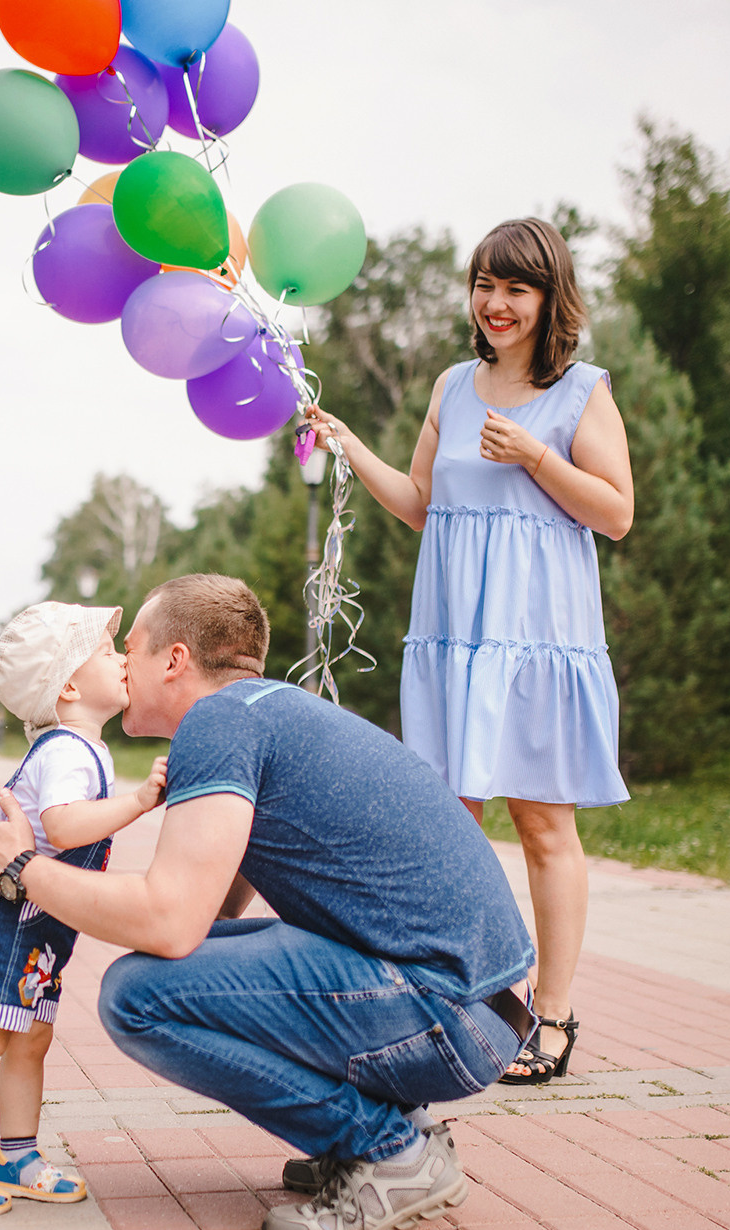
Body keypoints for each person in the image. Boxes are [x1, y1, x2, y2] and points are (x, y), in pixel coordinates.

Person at [0, 575, 535, 1230]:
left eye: (132, 650)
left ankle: (388, 1150)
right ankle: (381, 1136)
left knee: (137, 996)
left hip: (449, 1013)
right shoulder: (267, 711)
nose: (121, 664)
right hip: (484, 1008)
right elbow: (203, 916)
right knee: (191, 967)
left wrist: (19, 870)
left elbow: (168, 922)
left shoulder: (216, 721)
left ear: (175, 660)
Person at [300, 217, 633, 1085]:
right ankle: (473, 1002)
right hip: (456, 638)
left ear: (549, 298)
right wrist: (348, 443)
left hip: (537, 639)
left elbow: (616, 513)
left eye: (516, 288)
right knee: (450, 823)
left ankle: (553, 1017)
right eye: (485, 285)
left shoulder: (581, 391)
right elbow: (420, 503)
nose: (495, 303)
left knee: (543, 825)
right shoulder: (453, 386)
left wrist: (536, 457)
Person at [0, 602, 169, 1216]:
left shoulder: (82, 747)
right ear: (69, 687)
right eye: (106, 652)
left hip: (36, 928)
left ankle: (17, 1157)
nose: (122, 659)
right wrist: (139, 802)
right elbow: (62, 825)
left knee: (30, 1038)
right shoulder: (67, 752)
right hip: (7, 924)